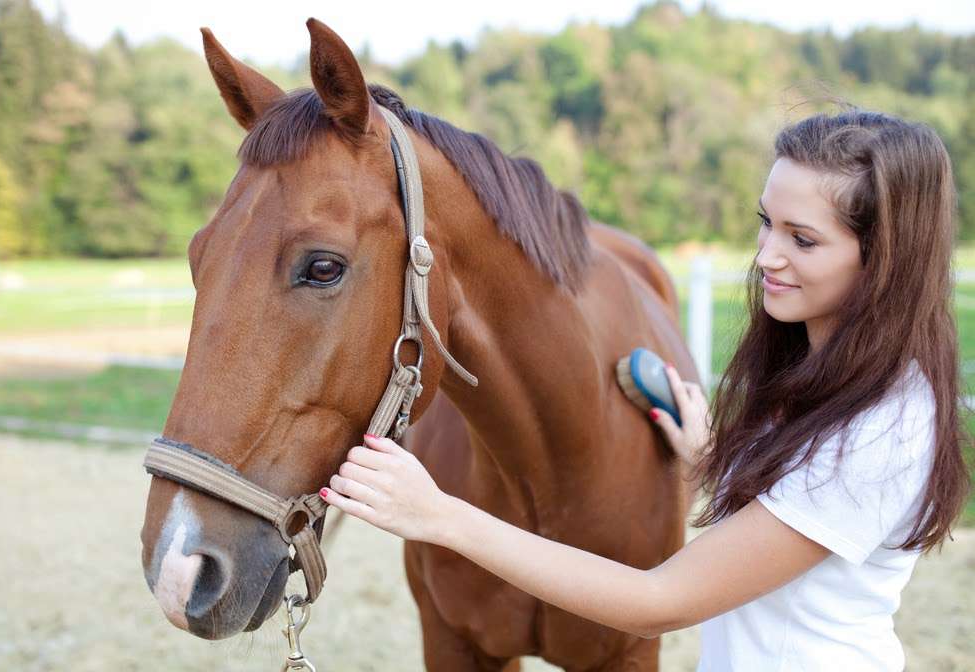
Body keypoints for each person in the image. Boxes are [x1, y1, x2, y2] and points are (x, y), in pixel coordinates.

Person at [318, 108, 971, 671]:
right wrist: (713, 459)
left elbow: (661, 604)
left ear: (885, 259)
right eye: (766, 222)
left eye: (802, 239)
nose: (767, 255)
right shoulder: (820, 373)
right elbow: (784, 521)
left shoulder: (881, 426)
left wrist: (440, 515)